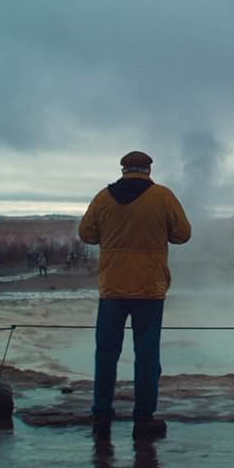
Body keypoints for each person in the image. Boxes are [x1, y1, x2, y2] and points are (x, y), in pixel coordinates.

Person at [79, 150, 192, 441]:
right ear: (148, 170)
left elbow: (86, 234)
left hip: (113, 287)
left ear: (124, 169)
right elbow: (183, 234)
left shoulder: (104, 197)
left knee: (106, 353)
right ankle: (144, 418)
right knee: (147, 355)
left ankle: (101, 414)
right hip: (149, 288)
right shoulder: (163, 197)